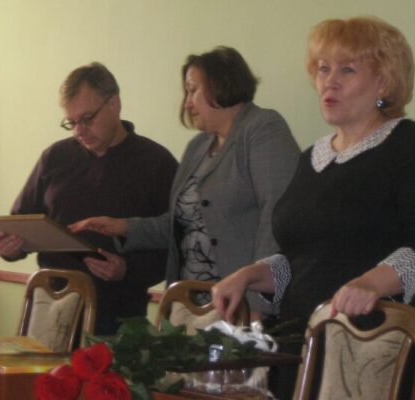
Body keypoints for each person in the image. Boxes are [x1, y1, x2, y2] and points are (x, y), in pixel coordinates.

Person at [211, 17, 415, 399]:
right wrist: (249, 275)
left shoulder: (409, 142)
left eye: (347, 70)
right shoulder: (312, 157)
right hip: (300, 341)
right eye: (323, 69)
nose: (329, 82)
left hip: (371, 344)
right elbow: (302, 260)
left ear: (383, 82)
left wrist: (370, 284)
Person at [70, 46, 300, 322]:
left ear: (221, 85)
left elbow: (277, 216)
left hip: (242, 306)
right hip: (190, 303)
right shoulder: (198, 146)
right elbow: (181, 224)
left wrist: (258, 303)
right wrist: (124, 227)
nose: (187, 103)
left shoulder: (263, 128)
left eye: (193, 91)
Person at [0, 62, 178, 335]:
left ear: (114, 104)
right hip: (50, 305)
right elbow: (22, 221)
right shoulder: (55, 157)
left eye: (87, 119)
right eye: (71, 122)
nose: (79, 131)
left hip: (119, 315)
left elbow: (177, 242)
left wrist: (127, 270)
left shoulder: (156, 163)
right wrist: (11, 247)